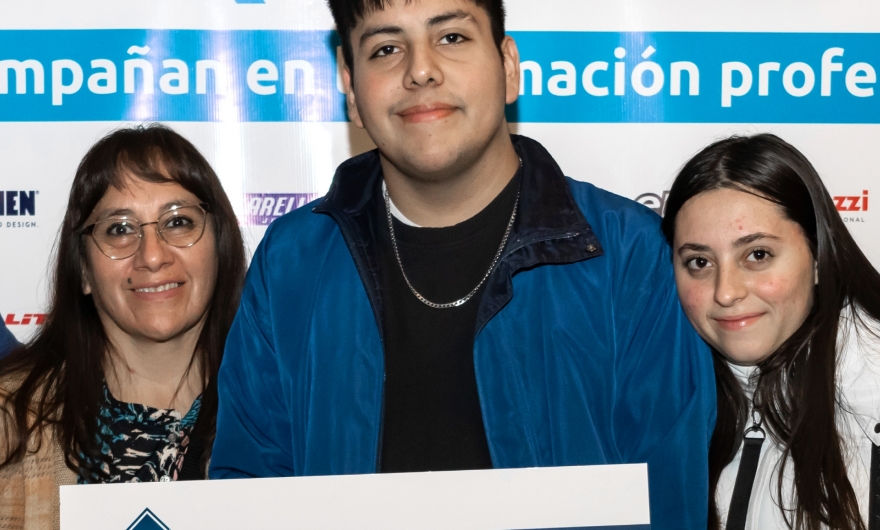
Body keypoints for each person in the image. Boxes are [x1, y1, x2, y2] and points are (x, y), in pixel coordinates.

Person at [210, 0, 715, 527]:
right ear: (350, 87)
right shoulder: (292, 262)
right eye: (386, 48)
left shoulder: (629, 253)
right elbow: (251, 498)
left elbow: (667, 500)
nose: (420, 70)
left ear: (508, 67)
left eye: (451, 37)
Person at [0, 125, 246, 529]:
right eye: (119, 228)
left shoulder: (283, 416)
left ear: (220, 246)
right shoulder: (9, 419)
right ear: (83, 269)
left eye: (178, 222)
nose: (152, 256)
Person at [661, 133, 880, 529]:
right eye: (699, 262)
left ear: (818, 256)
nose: (726, 292)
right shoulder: (671, 407)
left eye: (757, 254)